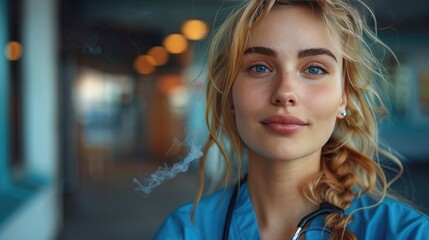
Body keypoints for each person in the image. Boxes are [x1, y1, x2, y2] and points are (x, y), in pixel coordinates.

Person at [154, 0, 429, 239]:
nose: (285, 92)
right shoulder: (184, 232)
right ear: (230, 95)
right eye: (260, 67)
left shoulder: (408, 233)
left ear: (343, 97)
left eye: (314, 68)